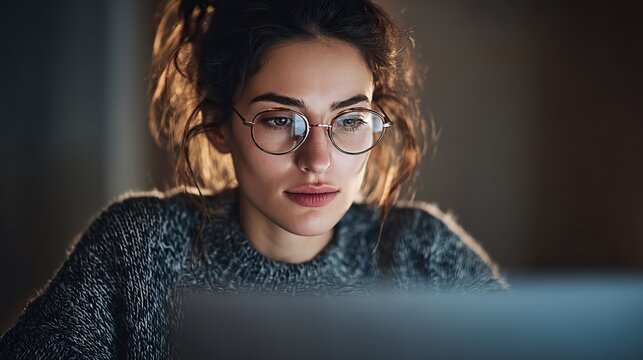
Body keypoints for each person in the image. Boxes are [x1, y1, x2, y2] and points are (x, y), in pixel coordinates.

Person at [0, 0, 507, 358]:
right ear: (220, 127)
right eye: (280, 119)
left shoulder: (424, 255)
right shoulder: (139, 247)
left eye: (349, 120)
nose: (317, 160)